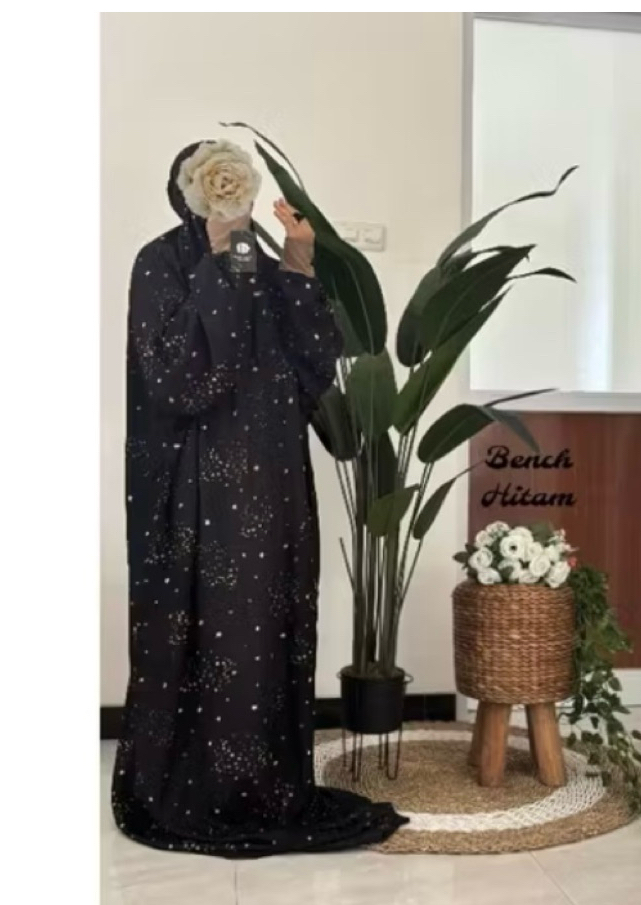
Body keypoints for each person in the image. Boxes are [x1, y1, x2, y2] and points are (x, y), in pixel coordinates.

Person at [111, 141, 407, 857]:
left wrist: (299, 263)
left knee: (270, 627)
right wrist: (219, 262)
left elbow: (312, 368)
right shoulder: (160, 262)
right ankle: (204, 788)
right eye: (212, 184)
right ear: (187, 191)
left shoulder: (262, 260)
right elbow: (176, 379)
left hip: (274, 483)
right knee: (209, 629)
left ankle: (268, 785)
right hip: (198, 492)